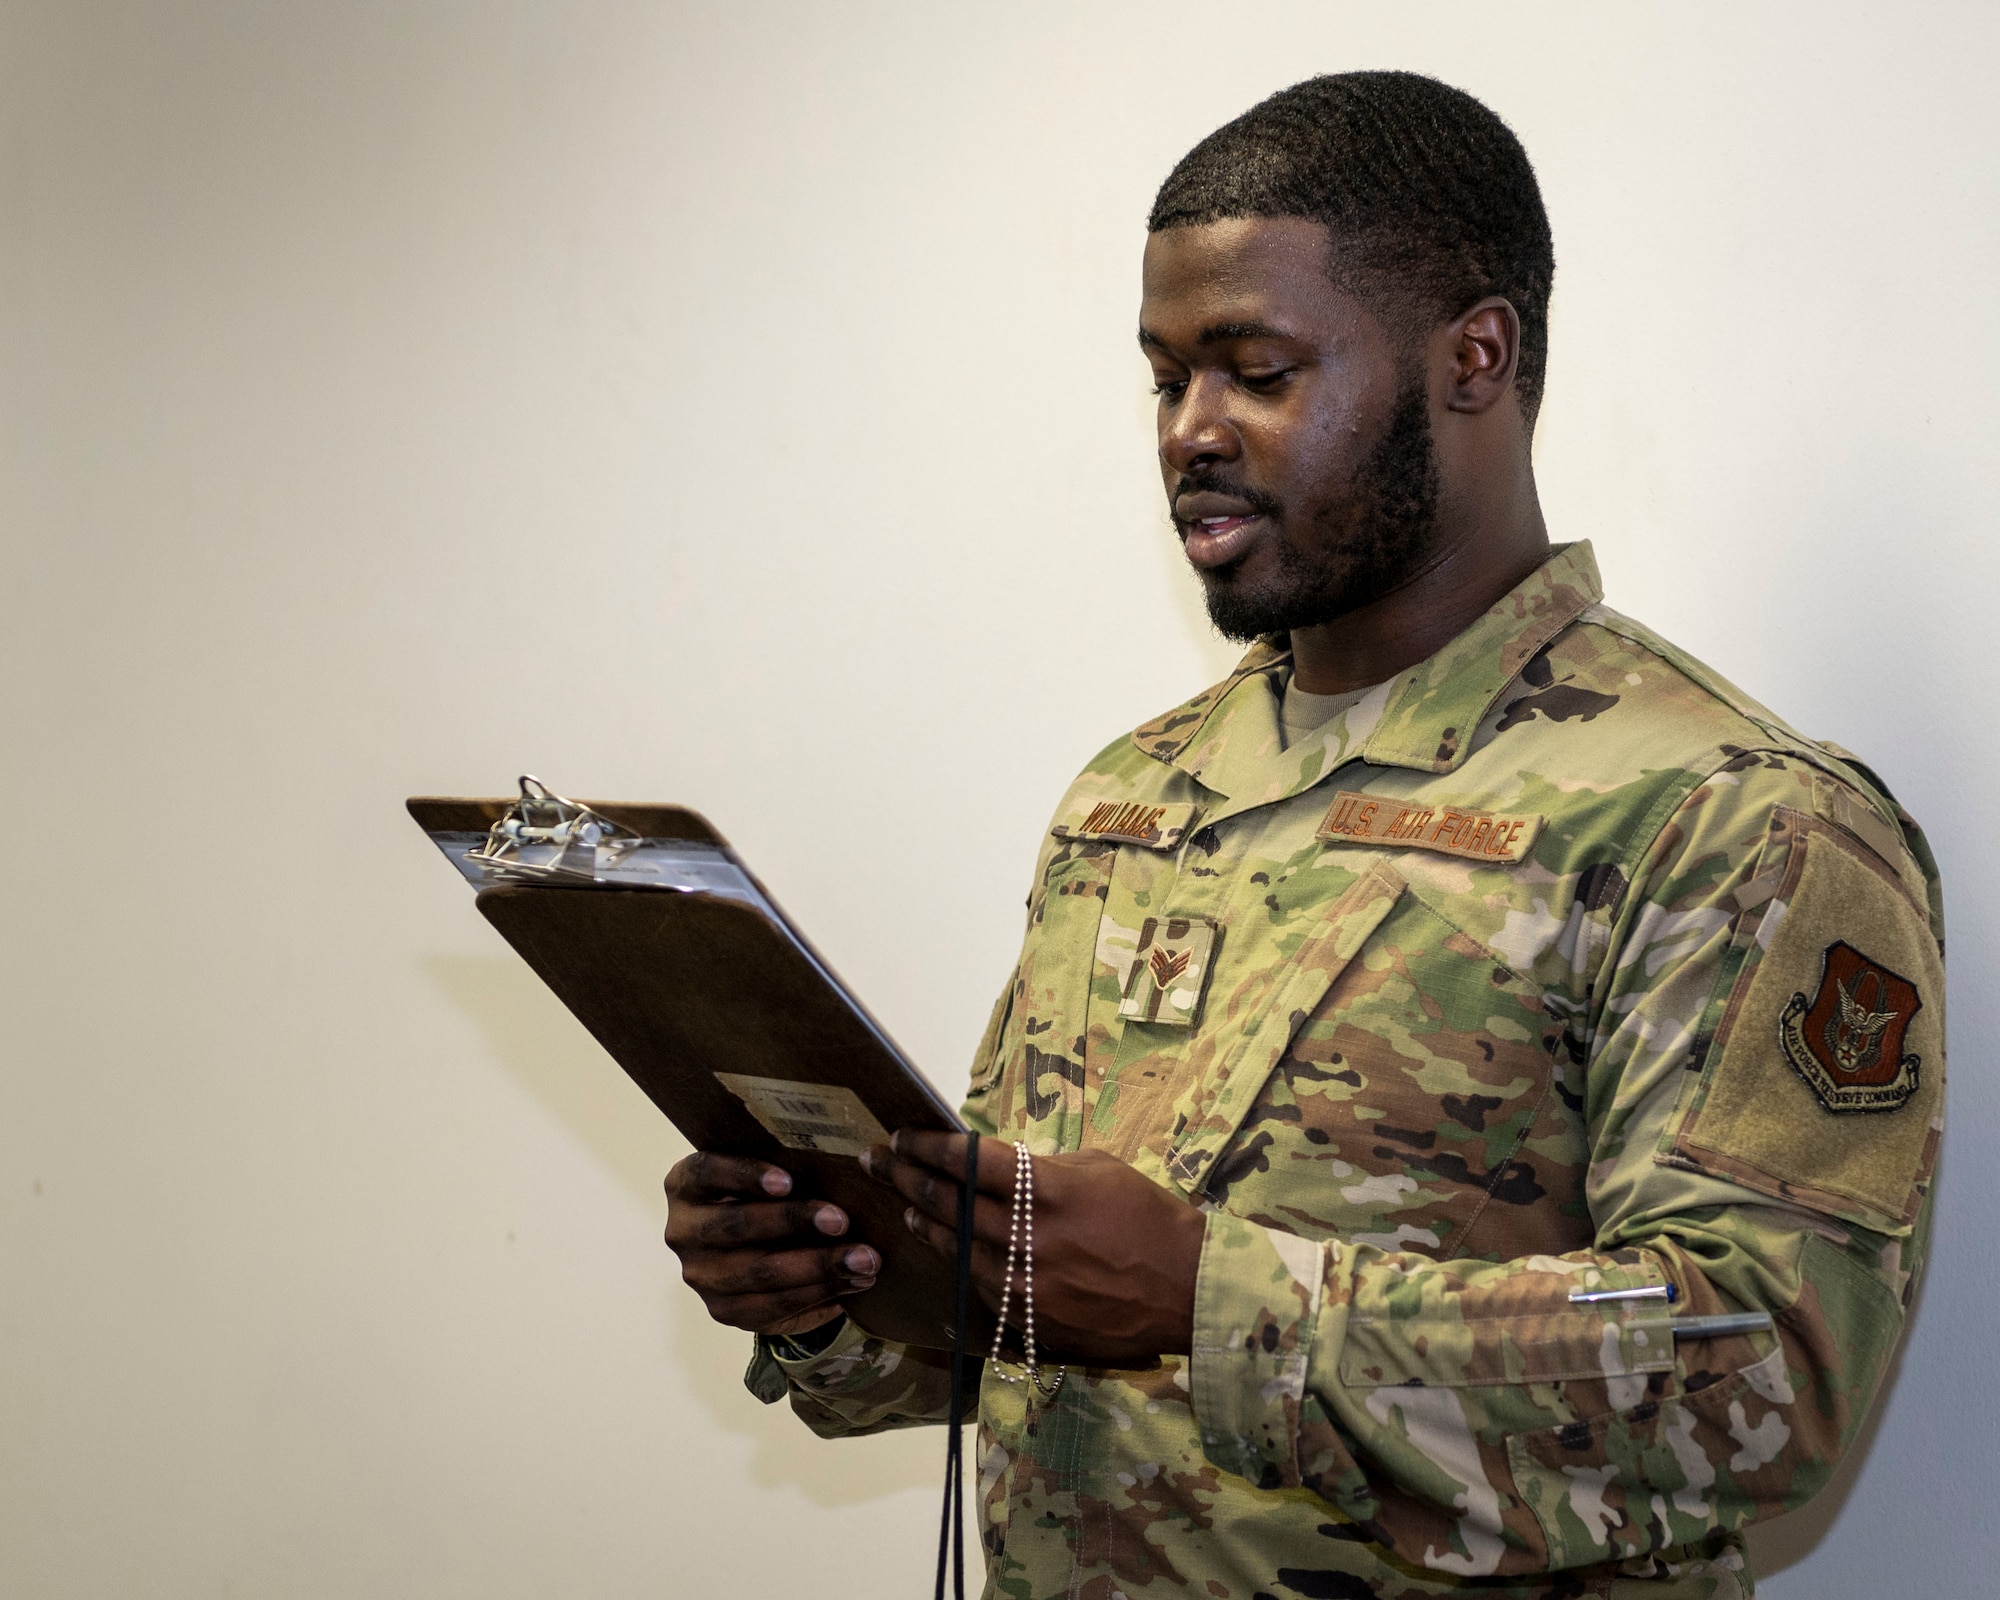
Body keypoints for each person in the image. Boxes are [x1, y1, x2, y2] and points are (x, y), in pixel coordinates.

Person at [664, 72, 1944, 1599]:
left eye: (1256, 371)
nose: (1191, 434)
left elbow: (1770, 1384)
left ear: (1476, 357)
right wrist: (837, 1284)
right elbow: (1026, 1324)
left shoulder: (1733, 816)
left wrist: (1207, 1299)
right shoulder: (1132, 799)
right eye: (1164, 380)